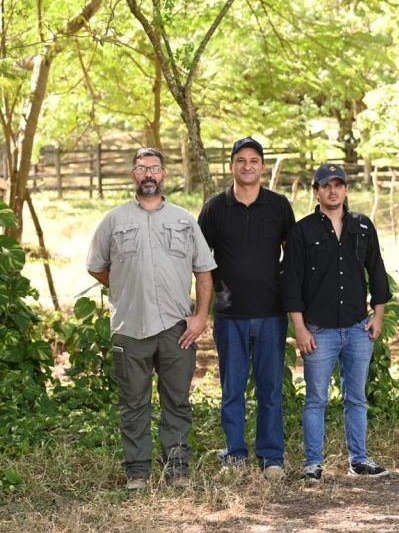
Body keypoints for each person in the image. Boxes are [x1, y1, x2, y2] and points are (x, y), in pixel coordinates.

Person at [87, 148, 216, 490]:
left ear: (164, 175)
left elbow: (204, 271)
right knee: (133, 404)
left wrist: (201, 316)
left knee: (177, 401)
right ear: (133, 174)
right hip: (131, 327)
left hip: (177, 328)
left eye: (155, 168)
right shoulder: (114, 221)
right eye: (142, 168)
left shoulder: (184, 220)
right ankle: (138, 472)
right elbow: (96, 266)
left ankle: (177, 470)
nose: (148, 174)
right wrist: (126, 287)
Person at [282, 164, 392, 482]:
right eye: (326, 185)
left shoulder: (363, 226)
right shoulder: (302, 232)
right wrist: (300, 328)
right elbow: (291, 283)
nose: (333, 191)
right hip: (318, 331)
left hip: (358, 328)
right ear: (316, 191)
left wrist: (378, 315)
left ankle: (359, 460)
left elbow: (377, 270)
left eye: (338, 185)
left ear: (345, 189)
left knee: (356, 397)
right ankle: (313, 464)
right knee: (316, 399)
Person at [198, 137, 295, 480]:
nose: (247, 166)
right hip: (229, 314)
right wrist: (204, 305)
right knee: (232, 390)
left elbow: (293, 255)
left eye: (254, 160)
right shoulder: (214, 208)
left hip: (271, 312)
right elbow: (200, 261)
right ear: (232, 166)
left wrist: (282, 288)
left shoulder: (278, 206)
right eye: (241, 160)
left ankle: (271, 458)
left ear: (263, 166)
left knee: (270, 389)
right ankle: (235, 456)